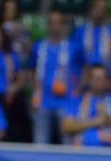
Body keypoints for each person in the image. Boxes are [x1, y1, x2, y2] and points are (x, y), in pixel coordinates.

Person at [29, 10, 84, 144]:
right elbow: (31, 71)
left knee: (68, 143)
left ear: (63, 26)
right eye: (51, 23)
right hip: (43, 102)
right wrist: (34, 92)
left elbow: (86, 70)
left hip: (66, 102)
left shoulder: (73, 47)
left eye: (58, 23)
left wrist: (78, 90)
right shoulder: (38, 47)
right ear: (47, 26)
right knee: (40, 142)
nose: (55, 26)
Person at [62, 64, 111, 148]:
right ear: (89, 80)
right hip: (83, 154)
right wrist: (95, 121)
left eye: (102, 78)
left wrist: (109, 119)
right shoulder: (77, 101)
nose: (99, 81)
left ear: (107, 80)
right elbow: (66, 127)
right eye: (96, 78)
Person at [75, 0, 111, 78]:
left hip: (105, 78)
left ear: (106, 12)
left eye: (103, 9)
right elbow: (75, 57)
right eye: (97, 7)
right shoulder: (80, 31)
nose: (100, 11)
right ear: (91, 10)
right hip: (84, 77)